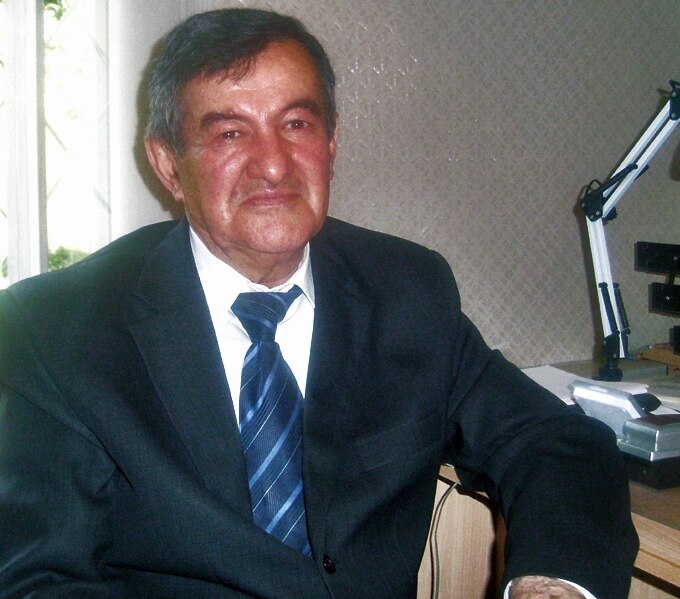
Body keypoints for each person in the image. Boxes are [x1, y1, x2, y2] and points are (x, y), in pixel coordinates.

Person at [0, 8, 638, 598]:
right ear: (169, 165)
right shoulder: (57, 331)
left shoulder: (405, 290)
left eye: (296, 124)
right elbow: (34, 579)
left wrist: (553, 583)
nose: (273, 165)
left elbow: (552, 441)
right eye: (230, 133)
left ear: (331, 144)